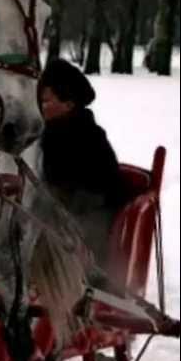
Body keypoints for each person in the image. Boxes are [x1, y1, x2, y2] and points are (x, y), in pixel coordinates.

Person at [37, 58, 130, 276]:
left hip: (86, 226)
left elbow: (96, 192)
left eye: (46, 101)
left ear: (69, 104)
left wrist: (54, 207)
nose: (40, 108)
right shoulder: (44, 135)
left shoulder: (89, 138)